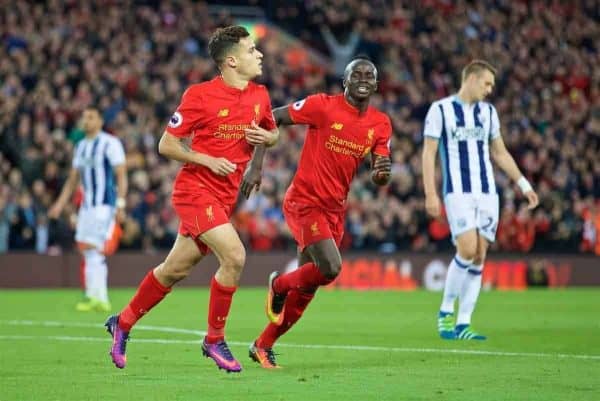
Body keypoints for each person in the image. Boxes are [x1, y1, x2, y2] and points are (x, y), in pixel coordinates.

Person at [104, 26, 278, 373]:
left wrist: (269, 140)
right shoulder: (199, 96)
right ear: (231, 60)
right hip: (194, 192)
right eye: (251, 50)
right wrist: (207, 160)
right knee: (235, 255)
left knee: (173, 271)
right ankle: (214, 339)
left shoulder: (260, 95)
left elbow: (269, 131)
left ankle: (121, 323)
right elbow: (166, 144)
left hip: (225, 197)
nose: (258, 55)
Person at [240, 56, 392, 368]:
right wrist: (255, 166)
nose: (363, 78)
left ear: (376, 85)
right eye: (356, 74)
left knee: (308, 287)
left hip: (335, 210)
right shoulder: (322, 106)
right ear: (345, 82)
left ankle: (262, 346)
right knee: (332, 268)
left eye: (369, 75)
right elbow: (271, 119)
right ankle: (278, 285)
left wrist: (382, 174)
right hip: (305, 202)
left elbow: (380, 171)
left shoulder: (380, 123)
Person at [421, 60, 539, 340]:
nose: (489, 90)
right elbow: (428, 154)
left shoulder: (488, 113)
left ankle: (463, 323)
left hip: (487, 194)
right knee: (467, 247)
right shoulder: (440, 110)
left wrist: (523, 184)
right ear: (471, 79)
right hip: (458, 192)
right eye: (486, 83)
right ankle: (446, 312)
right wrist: (430, 192)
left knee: (480, 254)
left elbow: (500, 153)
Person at [48, 107, 128, 312]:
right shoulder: (81, 146)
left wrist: (120, 203)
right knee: (87, 249)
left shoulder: (109, 143)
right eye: (84, 117)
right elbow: (73, 180)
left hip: (103, 205)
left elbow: (121, 174)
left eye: (91, 117)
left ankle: (100, 297)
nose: (86, 120)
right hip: (86, 206)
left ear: (100, 121)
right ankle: (94, 296)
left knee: (93, 248)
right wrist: (59, 204)